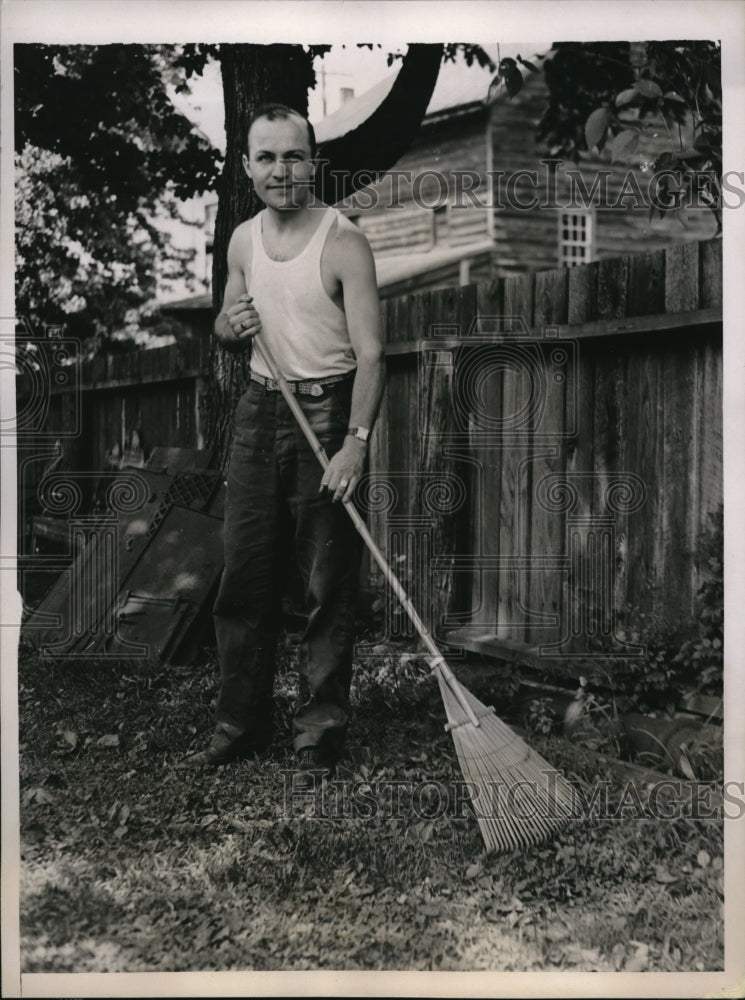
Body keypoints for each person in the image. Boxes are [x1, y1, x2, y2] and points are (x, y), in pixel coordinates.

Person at [189, 104, 385, 784]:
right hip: (256, 411)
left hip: (326, 414)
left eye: (293, 156)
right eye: (266, 157)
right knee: (244, 577)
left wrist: (354, 445)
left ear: (313, 162)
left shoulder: (342, 240)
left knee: (325, 583)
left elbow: (372, 355)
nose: (281, 170)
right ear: (246, 168)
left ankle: (317, 733)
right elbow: (225, 321)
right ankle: (238, 725)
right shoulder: (241, 241)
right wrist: (227, 322)